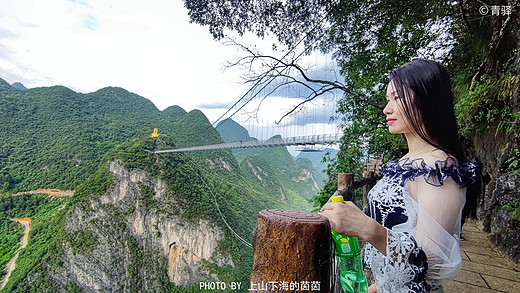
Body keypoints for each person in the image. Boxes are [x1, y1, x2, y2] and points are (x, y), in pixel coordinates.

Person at [320, 60, 478, 293]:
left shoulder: (439, 168)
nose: (387, 108)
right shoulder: (405, 162)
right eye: (387, 99)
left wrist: (367, 228)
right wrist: (381, 285)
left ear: (428, 99)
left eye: (398, 97)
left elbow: (433, 264)